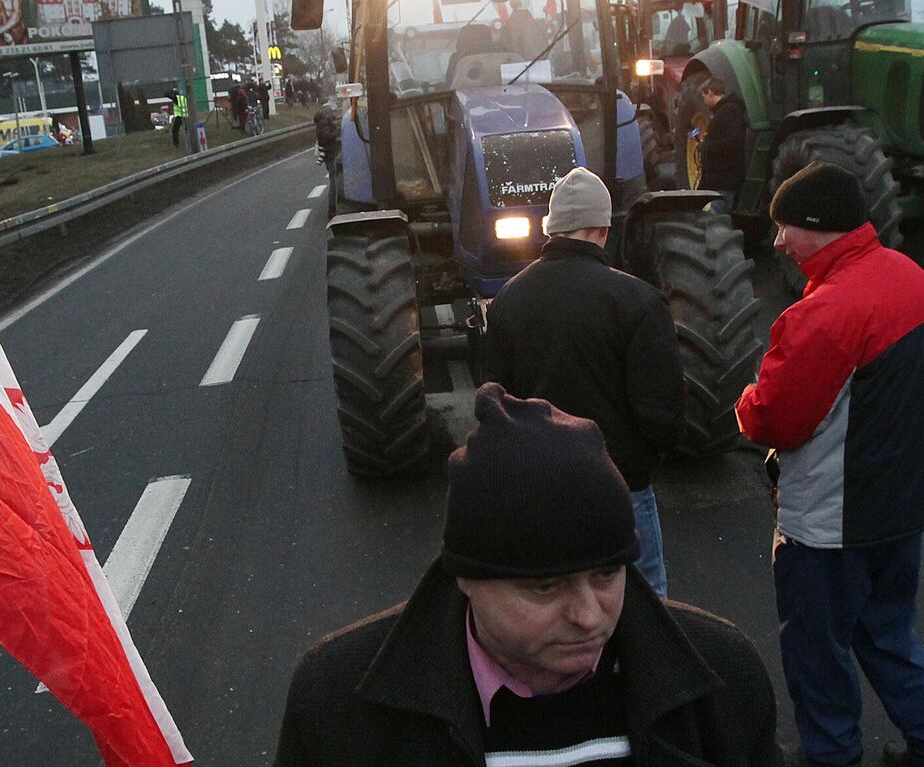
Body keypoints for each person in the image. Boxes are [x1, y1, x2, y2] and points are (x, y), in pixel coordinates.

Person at [276, 384, 782, 766]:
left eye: (607, 574)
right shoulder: (338, 702)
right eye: (545, 586)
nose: (590, 616)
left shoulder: (723, 678)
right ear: (466, 577)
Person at [736, 162, 924, 767]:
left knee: (817, 655)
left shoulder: (825, 313)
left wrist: (743, 400)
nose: (779, 241)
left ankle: (832, 758)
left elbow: (775, 420)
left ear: (821, 228)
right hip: (902, 509)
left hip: (832, 526)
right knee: (890, 639)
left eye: (787, 228)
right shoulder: (912, 279)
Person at [481, 168, 683, 598]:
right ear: (604, 229)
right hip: (621, 483)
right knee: (644, 604)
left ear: (550, 229)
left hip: (543, 484)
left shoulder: (507, 300)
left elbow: (497, 398)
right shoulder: (639, 301)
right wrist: (641, 464)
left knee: (556, 605)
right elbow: (661, 410)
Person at [698, 78, 749, 215]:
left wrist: (707, 146)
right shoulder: (724, 112)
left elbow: (734, 142)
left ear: (710, 93)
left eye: (704, 97)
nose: (704, 101)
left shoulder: (729, 112)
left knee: (718, 220)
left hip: (724, 180)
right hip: (720, 180)